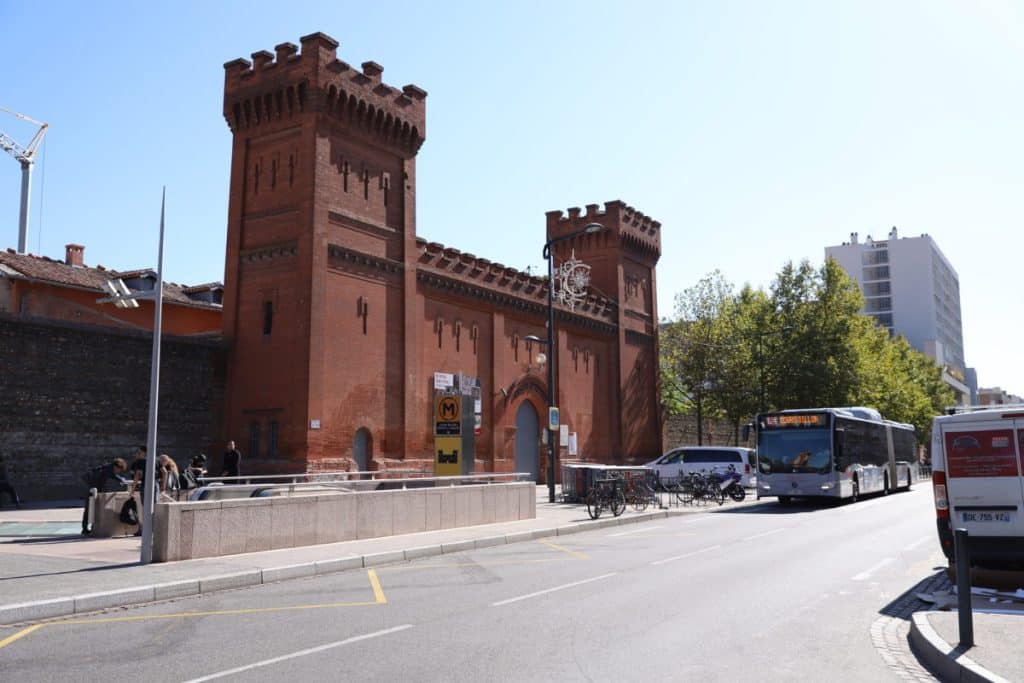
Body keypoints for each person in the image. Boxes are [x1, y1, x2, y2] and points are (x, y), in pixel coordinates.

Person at [82, 457, 128, 535]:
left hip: (95, 488)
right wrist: (122, 480)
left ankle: (88, 528)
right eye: (119, 470)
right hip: (92, 489)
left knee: (93, 508)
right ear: (116, 467)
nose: (118, 472)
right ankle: (85, 528)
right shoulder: (108, 470)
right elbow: (113, 476)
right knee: (89, 508)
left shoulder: (107, 468)